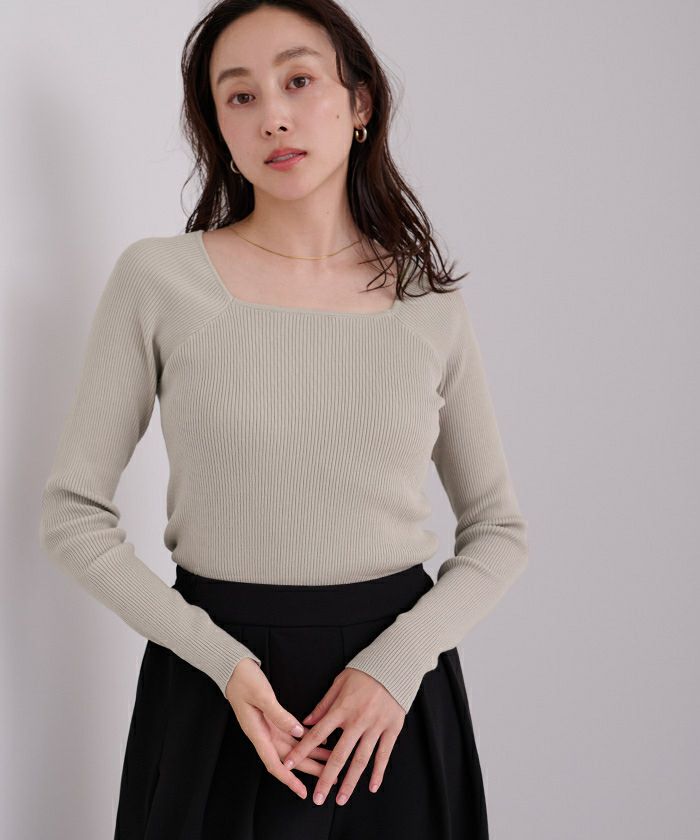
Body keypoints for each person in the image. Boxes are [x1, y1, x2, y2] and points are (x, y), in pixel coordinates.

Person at [38, 1, 529, 837]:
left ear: (359, 102)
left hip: (389, 710)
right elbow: (71, 515)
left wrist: (399, 663)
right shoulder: (159, 281)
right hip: (214, 693)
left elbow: (498, 532)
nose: (272, 115)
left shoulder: (426, 303)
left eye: (299, 81)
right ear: (218, 128)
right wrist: (221, 663)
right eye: (240, 96)